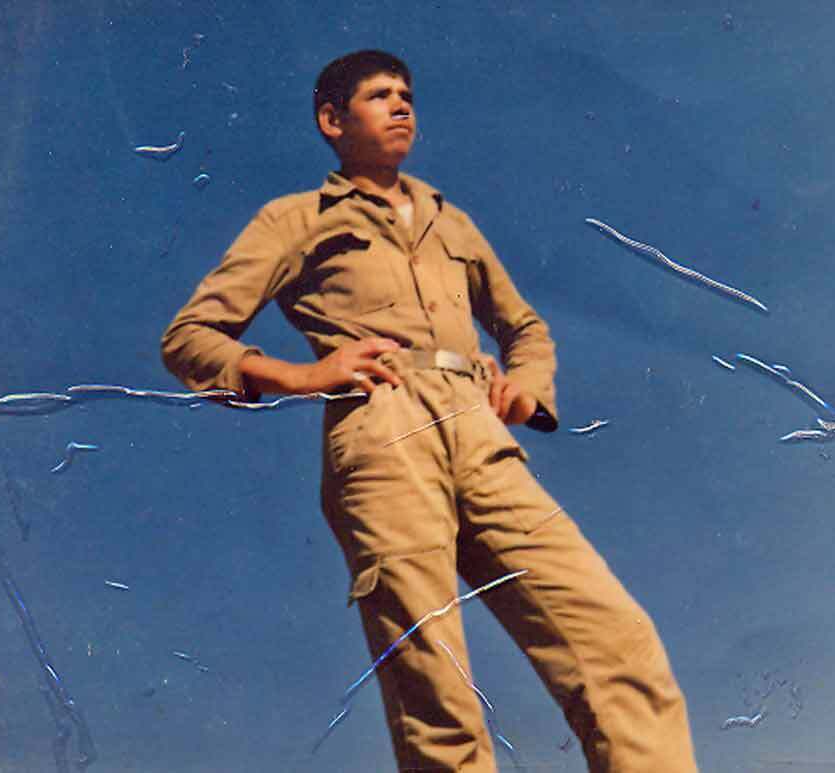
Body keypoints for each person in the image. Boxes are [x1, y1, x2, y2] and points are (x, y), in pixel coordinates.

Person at [160, 49, 699, 773]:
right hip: (382, 436)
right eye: (380, 95)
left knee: (616, 638)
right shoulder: (296, 218)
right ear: (332, 120)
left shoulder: (452, 222)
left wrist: (527, 386)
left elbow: (525, 328)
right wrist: (302, 374)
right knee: (436, 686)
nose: (401, 105)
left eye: (407, 94)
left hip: (479, 435)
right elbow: (190, 338)